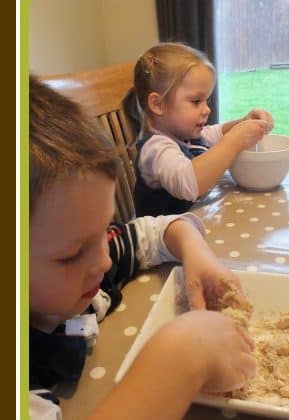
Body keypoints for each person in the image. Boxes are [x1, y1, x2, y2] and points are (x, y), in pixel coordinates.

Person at [29, 75, 256, 420]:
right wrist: (181, 359)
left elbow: (152, 232)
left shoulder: (87, 258)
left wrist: (195, 250)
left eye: (102, 230)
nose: (105, 261)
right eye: (73, 253)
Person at [125, 42, 274, 217]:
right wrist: (234, 141)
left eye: (207, 101)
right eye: (196, 101)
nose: (207, 109)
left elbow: (215, 133)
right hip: (164, 243)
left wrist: (243, 122)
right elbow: (188, 184)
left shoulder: (184, 134)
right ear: (158, 104)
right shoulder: (156, 149)